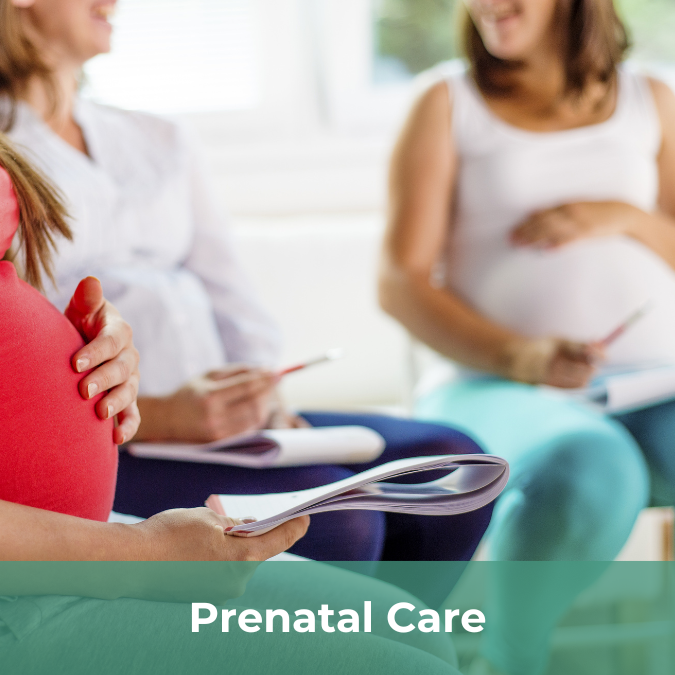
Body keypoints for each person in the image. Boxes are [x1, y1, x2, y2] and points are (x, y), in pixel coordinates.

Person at [0, 0, 493, 578]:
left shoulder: (156, 136)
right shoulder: (10, 165)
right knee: (339, 518)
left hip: (228, 425)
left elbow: (229, 289)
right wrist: (167, 415)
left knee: (451, 463)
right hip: (125, 435)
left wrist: (263, 393)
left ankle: (404, 649)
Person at [0, 137, 463, 675]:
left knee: (412, 629)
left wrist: (81, 348)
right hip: (31, 586)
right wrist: (144, 556)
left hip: (68, 543)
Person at [379, 0, 675, 673]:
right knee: (588, 465)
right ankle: (506, 660)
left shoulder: (650, 99)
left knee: (605, 456)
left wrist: (624, 216)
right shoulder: (446, 102)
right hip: (489, 385)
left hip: (650, 385)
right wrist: (519, 355)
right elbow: (400, 282)